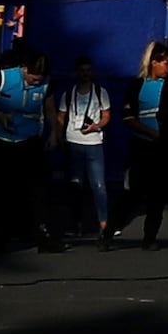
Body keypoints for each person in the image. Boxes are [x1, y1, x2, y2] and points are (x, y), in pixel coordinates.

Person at [0, 35, 55, 254]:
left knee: (36, 189)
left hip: (28, 141)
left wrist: (54, 134)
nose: (36, 83)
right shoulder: (2, 78)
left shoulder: (46, 83)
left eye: (40, 79)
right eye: (33, 78)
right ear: (23, 69)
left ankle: (38, 234)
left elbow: (50, 110)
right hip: (0, 141)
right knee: (0, 190)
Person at [123, 42, 168, 248]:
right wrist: (152, 133)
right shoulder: (137, 86)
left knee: (158, 196)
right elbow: (128, 118)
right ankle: (109, 231)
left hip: (162, 149)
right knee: (134, 193)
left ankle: (150, 237)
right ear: (153, 62)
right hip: (142, 146)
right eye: (165, 63)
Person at [55, 60, 117, 244]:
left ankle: (105, 225)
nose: (85, 74)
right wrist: (60, 136)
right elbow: (60, 116)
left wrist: (96, 126)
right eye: (82, 70)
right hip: (74, 143)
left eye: (88, 70)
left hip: (94, 143)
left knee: (99, 186)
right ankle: (77, 225)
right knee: (76, 186)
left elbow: (107, 114)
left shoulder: (100, 92)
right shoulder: (68, 93)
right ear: (76, 72)